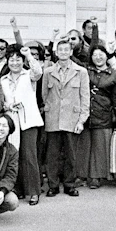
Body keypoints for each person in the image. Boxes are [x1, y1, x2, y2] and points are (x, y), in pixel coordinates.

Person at [42, 37, 91, 197]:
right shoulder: (48, 72)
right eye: (60, 50)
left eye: (66, 50)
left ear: (71, 52)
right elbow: (44, 95)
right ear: (56, 52)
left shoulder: (80, 71)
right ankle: (53, 185)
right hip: (53, 117)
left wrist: (82, 119)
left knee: (71, 154)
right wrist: (49, 109)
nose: (63, 52)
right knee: (52, 155)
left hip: (72, 117)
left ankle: (70, 184)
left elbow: (85, 97)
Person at [0, 46, 43, 205]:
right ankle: (16, 188)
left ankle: (33, 191)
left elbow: (38, 72)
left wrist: (29, 56)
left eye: (18, 59)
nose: (15, 62)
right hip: (11, 120)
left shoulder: (28, 75)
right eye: (12, 59)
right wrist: (7, 106)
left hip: (29, 119)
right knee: (13, 155)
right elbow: (1, 100)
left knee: (29, 155)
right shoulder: (3, 79)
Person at [80, 44, 116, 189]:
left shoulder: (114, 73)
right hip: (86, 110)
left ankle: (97, 176)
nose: (98, 57)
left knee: (100, 146)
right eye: (95, 54)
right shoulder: (86, 70)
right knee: (84, 145)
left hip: (103, 111)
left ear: (106, 55)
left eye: (101, 54)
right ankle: (83, 174)